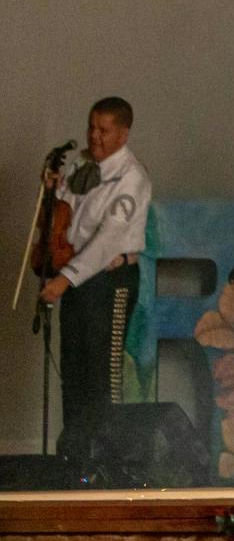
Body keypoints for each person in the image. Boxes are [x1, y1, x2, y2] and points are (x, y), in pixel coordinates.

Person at [41, 97, 152, 448]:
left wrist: (63, 279)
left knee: (103, 372)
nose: (94, 136)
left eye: (104, 130)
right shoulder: (82, 164)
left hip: (109, 279)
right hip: (76, 276)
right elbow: (65, 209)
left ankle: (105, 457)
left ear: (123, 133)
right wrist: (51, 190)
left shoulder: (132, 178)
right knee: (72, 369)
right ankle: (73, 453)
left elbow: (108, 240)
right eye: (91, 127)